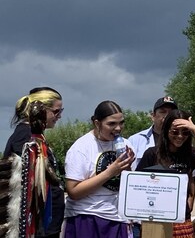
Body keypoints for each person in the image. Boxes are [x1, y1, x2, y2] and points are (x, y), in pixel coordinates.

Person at [63, 100, 135, 238]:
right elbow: (73, 191)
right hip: (87, 217)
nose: (118, 128)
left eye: (121, 122)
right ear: (97, 123)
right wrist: (109, 172)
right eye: (111, 124)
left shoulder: (126, 145)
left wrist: (128, 170)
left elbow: (128, 187)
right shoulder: (81, 148)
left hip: (118, 218)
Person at [137, 109, 195, 238]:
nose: (180, 136)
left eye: (185, 132)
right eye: (175, 132)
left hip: (182, 220)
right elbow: (137, 185)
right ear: (166, 131)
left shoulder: (190, 154)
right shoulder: (151, 154)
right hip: (156, 219)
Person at [3, 87, 64, 238]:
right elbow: (26, 182)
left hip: (44, 223)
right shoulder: (26, 136)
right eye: (56, 111)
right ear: (41, 110)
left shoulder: (34, 135)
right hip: (34, 225)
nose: (59, 116)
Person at [128, 96, 178, 170]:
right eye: (163, 112)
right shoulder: (135, 140)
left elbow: (191, 176)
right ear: (153, 116)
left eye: (171, 113)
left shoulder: (182, 140)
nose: (167, 116)